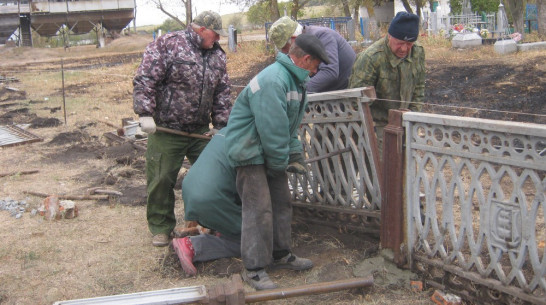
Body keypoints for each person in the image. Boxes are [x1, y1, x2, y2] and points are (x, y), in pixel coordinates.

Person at [172, 34, 331, 290]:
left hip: (265, 150)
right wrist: (280, 163)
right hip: (249, 152)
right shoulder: (274, 81)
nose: (317, 70)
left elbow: (289, 127)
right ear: (305, 59)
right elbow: (272, 131)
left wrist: (295, 155)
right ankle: (254, 269)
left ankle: (281, 255)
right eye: (316, 64)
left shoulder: (294, 81)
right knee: (258, 210)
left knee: (281, 203)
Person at [133, 10, 232, 247]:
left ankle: (201, 223)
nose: (217, 39)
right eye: (215, 34)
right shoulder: (168, 44)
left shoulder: (217, 56)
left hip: (200, 130)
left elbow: (222, 91)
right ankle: (161, 227)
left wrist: (220, 124)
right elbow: (146, 78)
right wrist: (145, 112)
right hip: (168, 128)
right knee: (161, 179)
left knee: (211, 178)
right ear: (200, 29)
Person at [349, 11, 425, 154]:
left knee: (406, 171)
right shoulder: (371, 58)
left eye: (409, 44)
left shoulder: (418, 53)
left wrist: (413, 116)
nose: (404, 49)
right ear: (389, 36)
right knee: (382, 173)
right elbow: (356, 102)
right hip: (378, 129)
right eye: (400, 43)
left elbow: (419, 87)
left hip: (406, 125)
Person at [268, 16, 356, 93]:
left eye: (284, 47)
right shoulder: (303, 45)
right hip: (330, 92)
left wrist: (298, 91)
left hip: (346, 92)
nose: (284, 52)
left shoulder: (323, 36)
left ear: (294, 39)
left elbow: (329, 72)